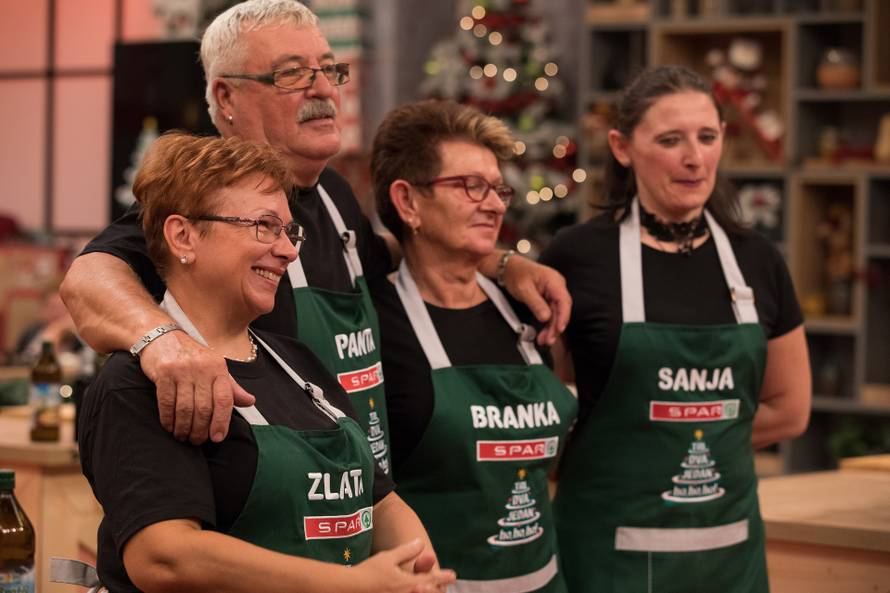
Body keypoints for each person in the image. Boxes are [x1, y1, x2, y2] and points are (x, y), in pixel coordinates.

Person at [59, 0, 571, 460]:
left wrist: (502, 263)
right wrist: (164, 343)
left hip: (361, 492)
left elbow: (394, 254)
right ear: (226, 96)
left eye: (329, 70)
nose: (324, 89)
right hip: (275, 501)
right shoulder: (202, 201)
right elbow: (88, 280)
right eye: (292, 74)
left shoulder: (334, 195)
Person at [77, 132, 454, 593]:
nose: (289, 250)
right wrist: (346, 585)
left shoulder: (297, 363)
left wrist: (417, 568)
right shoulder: (136, 384)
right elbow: (165, 557)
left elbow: (381, 501)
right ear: (184, 235)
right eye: (264, 226)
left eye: (289, 231)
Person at [541, 65, 811, 593]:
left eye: (707, 137)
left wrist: (688, 439)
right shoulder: (576, 258)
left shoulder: (758, 260)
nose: (694, 158)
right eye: (670, 140)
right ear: (622, 147)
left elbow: (791, 408)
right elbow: (542, 404)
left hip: (728, 555)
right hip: (606, 553)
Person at [369, 99, 579, 592]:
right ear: (407, 202)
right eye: (471, 187)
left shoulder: (525, 305)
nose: (496, 203)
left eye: (498, 187)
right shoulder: (376, 320)